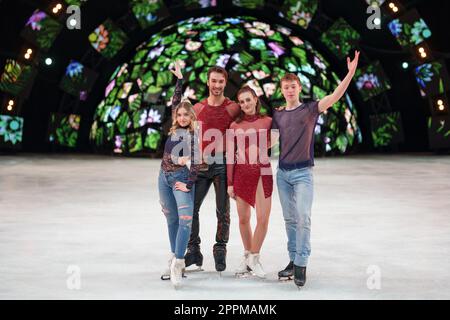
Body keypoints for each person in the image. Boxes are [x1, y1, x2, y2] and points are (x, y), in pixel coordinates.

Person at [274, 51, 360, 287]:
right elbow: (266, 139)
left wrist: (350, 73)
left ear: (299, 88)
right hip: (282, 174)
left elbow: (334, 96)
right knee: (289, 219)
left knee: (303, 216)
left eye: (293, 86)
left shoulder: (310, 109)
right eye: (286, 87)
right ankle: (293, 260)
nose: (290, 90)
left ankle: (302, 262)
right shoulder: (278, 115)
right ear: (281, 90)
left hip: (302, 173)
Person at [182, 66, 241, 272]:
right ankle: (193, 250)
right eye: (213, 81)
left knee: (222, 210)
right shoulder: (198, 108)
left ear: (225, 83)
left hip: (223, 164)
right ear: (208, 82)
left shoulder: (233, 108)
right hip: (202, 163)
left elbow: (249, 120)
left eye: (221, 82)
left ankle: (220, 249)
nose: (217, 85)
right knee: (191, 208)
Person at [158, 61, 200, 288]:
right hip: (163, 178)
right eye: (180, 114)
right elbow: (176, 100)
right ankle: (174, 256)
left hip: (180, 179)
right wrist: (180, 79)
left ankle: (179, 262)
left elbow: (197, 163)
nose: (182, 117)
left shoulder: (193, 136)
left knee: (185, 220)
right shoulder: (174, 129)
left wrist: (189, 184)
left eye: (186, 115)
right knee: (171, 219)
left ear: (192, 118)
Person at [226, 86, 274, 278]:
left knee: (263, 218)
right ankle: (247, 257)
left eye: (248, 99)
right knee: (244, 219)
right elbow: (230, 156)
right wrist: (230, 183)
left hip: (263, 172)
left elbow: (278, 138)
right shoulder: (234, 126)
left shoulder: (269, 121)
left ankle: (255, 257)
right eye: (242, 101)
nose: (246, 104)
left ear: (255, 99)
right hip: (241, 173)